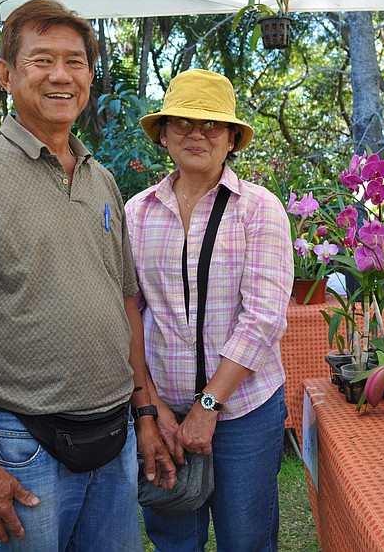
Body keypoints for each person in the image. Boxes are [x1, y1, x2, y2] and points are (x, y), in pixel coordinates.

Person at [0, 0, 173, 551]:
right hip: (21, 445)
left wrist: (145, 413)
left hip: (116, 438)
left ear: (89, 75)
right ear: (7, 75)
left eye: (75, 62)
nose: (62, 76)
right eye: (42, 60)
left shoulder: (101, 178)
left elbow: (124, 304)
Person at [125, 69, 293, 550]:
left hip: (243, 409)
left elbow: (263, 317)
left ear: (232, 138)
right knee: (174, 534)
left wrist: (208, 405)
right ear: (162, 133)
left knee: (246, 537)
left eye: (211, 124)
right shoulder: (136, 213)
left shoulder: (258, 209)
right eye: (181, 122)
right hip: (162, 408)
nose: (196, 134)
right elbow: (128, 314)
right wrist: (149, 406)